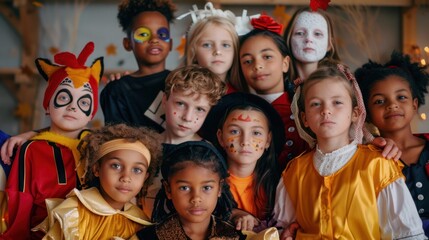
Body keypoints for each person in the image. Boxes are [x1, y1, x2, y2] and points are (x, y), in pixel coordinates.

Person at [273, 64, 425, 239]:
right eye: (315, 104)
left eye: (337, 102)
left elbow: (406, 234)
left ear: (355, 113)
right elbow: (282, 228)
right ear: (304, 118)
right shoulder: (293, 172)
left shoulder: (378, 165)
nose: (326, 110)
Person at [0, 42, 103, 240]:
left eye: (83, 102)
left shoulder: (100, 147)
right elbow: (20, 202)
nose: (73, 107)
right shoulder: (31, 149)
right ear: (47, 105)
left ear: (91, 113)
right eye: (64, 97)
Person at [34, 124, 162, 239]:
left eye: (137, 170)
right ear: (96, 169)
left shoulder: (142, 225)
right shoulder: (73, 212)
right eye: (116, 166)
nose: (126, 177)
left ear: (145, 177)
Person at [355, 51, 429, 236]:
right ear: (367, 113)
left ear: (414, 104)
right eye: (379, 101)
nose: (392, 105)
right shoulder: (366, 159)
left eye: (401, 97)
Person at [141, 64, 227, 218]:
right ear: (165, 100)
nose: (187, 117)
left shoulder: (208, 153)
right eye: (180, 104)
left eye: (199, 109)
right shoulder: (144, 147)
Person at [134, 141, 246, 240]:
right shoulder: (147, 237)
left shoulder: (238, 236)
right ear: (168, 189)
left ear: (219, 188)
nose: (196, 198)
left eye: (206, 188)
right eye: (184, 188)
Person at [235, 14, 306, 169]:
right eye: (248, 61)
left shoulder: (302, 108)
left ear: (285, 63)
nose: (258, 65)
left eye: (267, 57)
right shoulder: (236, 111)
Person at [208, 92, 285, 232]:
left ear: (268, 140)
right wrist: (233, 214)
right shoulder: (208, 181)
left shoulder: (279, 184)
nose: (245, 142)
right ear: (220, 137)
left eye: (256, 133)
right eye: (235, 131)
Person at [100, 0, 177, 132]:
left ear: (170, 43)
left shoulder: (181, 83)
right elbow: (116, 139)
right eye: (143, 34)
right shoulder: (116, 91)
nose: (154, 39)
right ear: (128, 43)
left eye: (162, 34)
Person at [178, 2, 244, 93]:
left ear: (235, 51)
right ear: (194, 53)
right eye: (207, 45)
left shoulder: (240, 97)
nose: (217, 51)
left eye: (225, 45)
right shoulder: (181, 92)